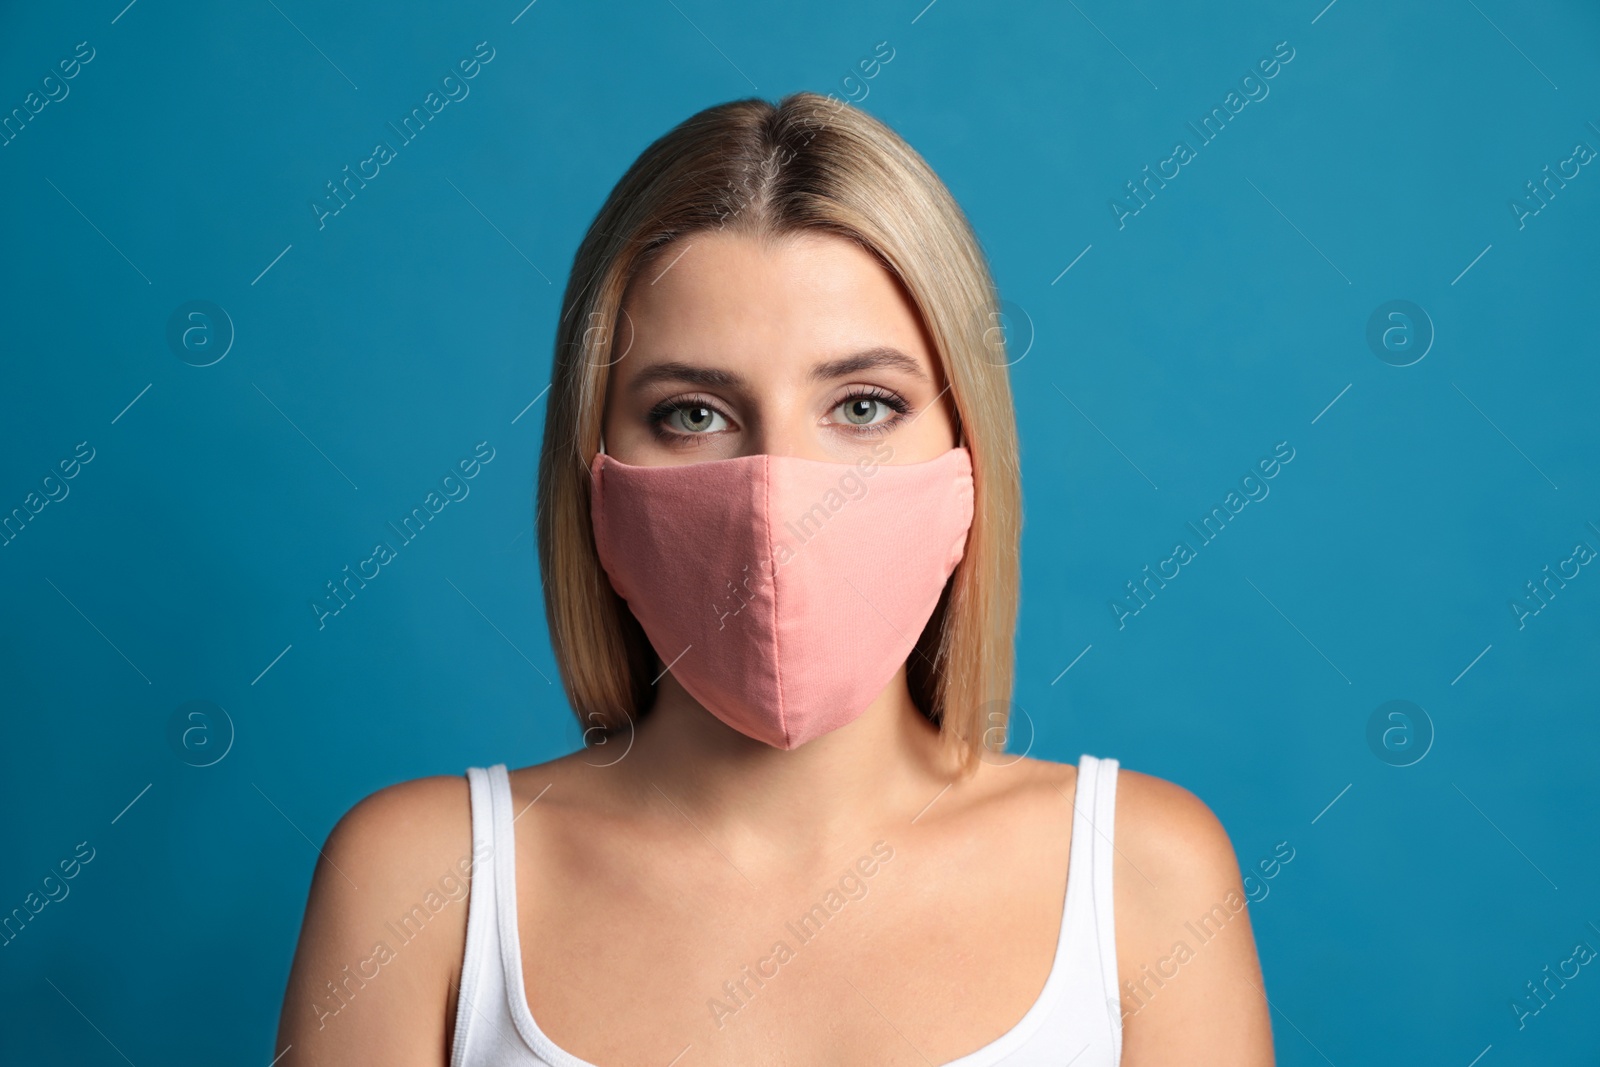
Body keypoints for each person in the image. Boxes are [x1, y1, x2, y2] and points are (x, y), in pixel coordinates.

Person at [275, 90, 1274, 1066]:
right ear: (592, 473)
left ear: (970, 454)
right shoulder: (422, 886)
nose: (776, 495)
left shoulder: (1142, 879)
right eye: (693, 413)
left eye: (864, 404)